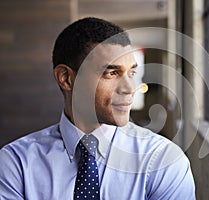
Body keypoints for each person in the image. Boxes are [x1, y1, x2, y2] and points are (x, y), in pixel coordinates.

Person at [0, 17, 195, 199]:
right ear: (66, 79)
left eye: (132, 72)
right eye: (111, 73)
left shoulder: (164, 161)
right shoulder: (16, 164)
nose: (129, 88)